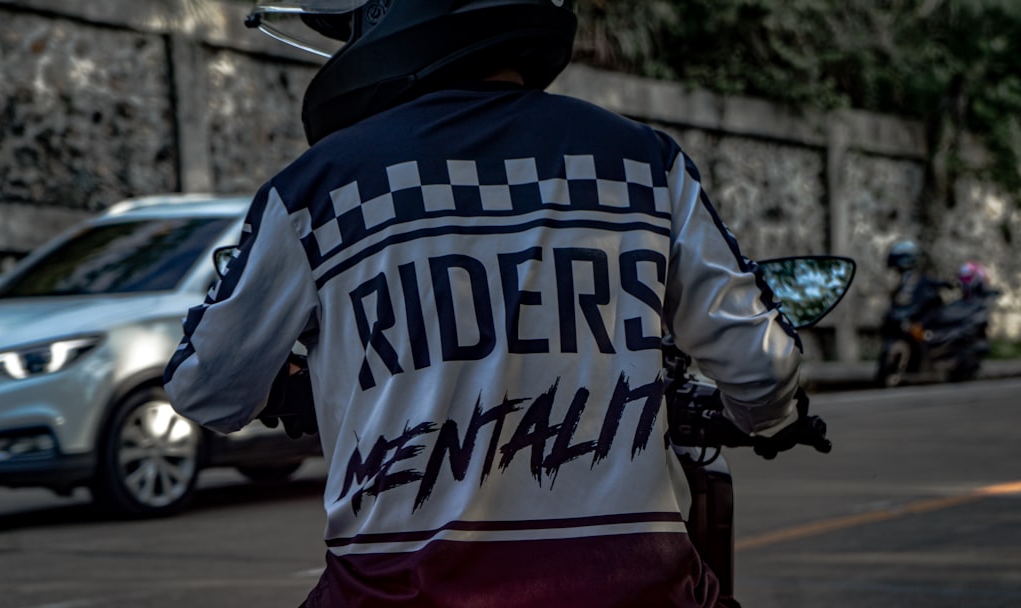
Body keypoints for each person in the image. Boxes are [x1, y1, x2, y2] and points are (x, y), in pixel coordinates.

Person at [164, 1, 805, 606]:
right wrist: (761, 418)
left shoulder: (317, 187)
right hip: (633, 586)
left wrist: (286, 392)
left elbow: (208, 390)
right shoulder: (645, 163)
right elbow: (763, 367)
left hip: (395, 592)